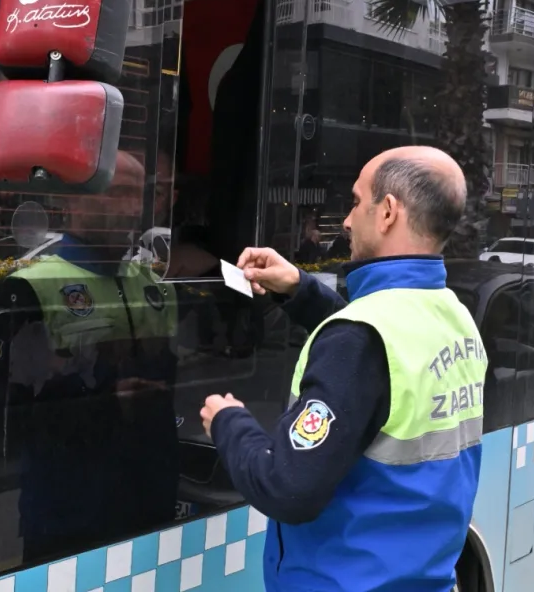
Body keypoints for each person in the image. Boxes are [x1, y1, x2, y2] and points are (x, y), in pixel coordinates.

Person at [199, 146, 488, 592]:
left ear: (387, 212)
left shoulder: (361, 340)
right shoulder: (452, 316)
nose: (348, 221)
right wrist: (299, 288)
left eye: (355, 202)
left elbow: (287, 488)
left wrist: (228, 422)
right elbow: (375, 364)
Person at [0, 150, 179, 563]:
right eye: (116, 194)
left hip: (149, 502)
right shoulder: (30, 288)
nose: (131, 210)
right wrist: (105, 401)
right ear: (72, 200)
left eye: (138, 197)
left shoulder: (155, 288)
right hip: (68, 511)